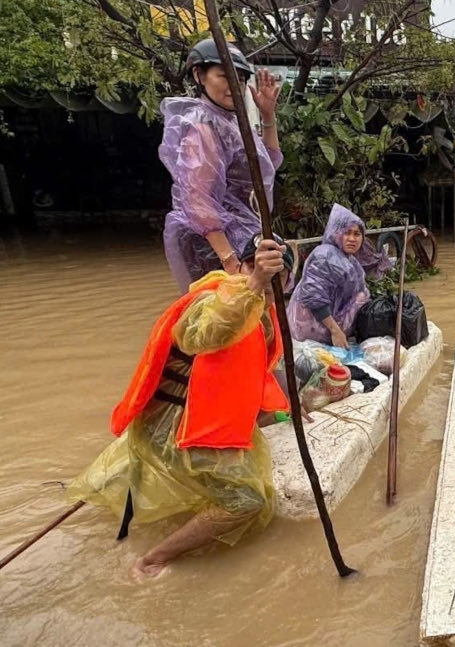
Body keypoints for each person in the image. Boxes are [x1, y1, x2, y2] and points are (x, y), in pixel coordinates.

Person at [67, 236, 294, 579]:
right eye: (254, 266)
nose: (268, 283)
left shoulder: (264, 311)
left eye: (279, 276)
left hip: (206, 415)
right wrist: (256, 284)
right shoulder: (212, 299)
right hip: (175, 423)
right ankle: (152, 559)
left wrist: (291, 403)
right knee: (247, 501)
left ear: (288, 282)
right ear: (241, 266)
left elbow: (254, 371)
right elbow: (206, 335)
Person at [160, 38, 283, 293]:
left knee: (258, 315)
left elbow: (267, 165)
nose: (233, 85)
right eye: (223, 76)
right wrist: (230, 261)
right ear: (199, 75)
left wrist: (268, 115)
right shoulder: (203, 124)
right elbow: (198, 197)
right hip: (218, 246)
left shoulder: (232, 123)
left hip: (244, 235)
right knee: (230, 319)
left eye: (239, 79)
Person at [287, 204, 371, 348]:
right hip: (309, 329)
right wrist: (335, 330)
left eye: (357, 234)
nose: (352, 239)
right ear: (337, 234)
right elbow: (314, 297)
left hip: (329, 327)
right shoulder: (325, 256)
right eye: (347, 233)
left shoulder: (351, 261)